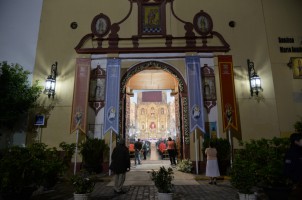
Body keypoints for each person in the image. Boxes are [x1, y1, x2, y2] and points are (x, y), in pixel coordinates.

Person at [284, 133, 302, 198]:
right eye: (301, 140)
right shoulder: (290, 153)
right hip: (297, 183)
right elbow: (287, 170)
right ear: (296, 141)